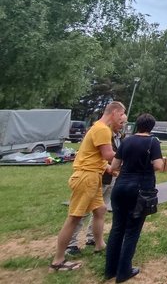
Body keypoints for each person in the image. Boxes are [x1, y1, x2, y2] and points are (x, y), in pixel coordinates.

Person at [50, 101, 126, 272]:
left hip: (94, 175)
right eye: (121, 114)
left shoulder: (98, 127)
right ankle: (58, 260)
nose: (122, 118)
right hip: (86, 177)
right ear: (114, 112)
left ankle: (99, 245)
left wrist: (110, 169)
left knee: (100, 210)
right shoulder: (102, 129)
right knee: (75, 217)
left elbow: (96, 157)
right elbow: (107, 154)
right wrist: (130, 154)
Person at [105, 113, 163, 283]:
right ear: (151, 127)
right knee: (132, 231)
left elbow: (114, 166)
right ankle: (124, 271)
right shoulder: (153, 142)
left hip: (120, 186)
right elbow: (158, 165)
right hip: (140, 190)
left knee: (117, 228)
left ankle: (110, 270)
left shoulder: (126, 141)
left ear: (137, 125)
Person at [66, 113, 127, 255]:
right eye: (121, 122)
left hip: (105, 177)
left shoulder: (119, 137)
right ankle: (71, 244)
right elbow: (107, 155)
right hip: (91, 176)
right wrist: (128, 162)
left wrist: (114, 170)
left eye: (124, 123)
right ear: (113, 119)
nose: (122, 126)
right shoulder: (103, 132)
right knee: (80, 213)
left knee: (100, 210)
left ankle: (93, 239)